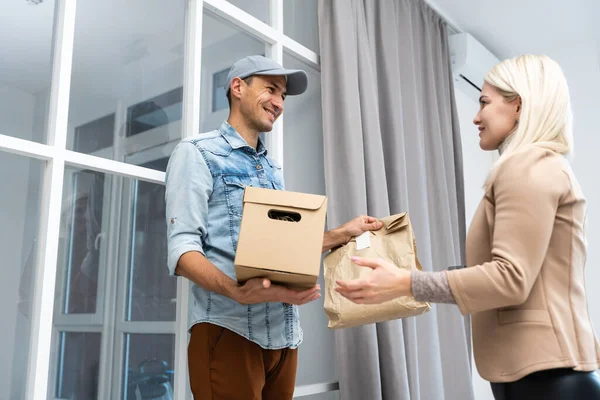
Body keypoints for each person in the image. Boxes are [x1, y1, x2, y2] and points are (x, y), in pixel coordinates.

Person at [335, 54, 600, 399]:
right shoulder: (538, 167)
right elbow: (503, 275)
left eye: (484, 103)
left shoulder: (527, 167)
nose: (476, 117)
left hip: (547, 379)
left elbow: (510, 278)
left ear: (518, 106)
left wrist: (406, 283)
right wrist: (406, 282)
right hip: (538, 375)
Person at [165, 55, 383, 400]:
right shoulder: (196, 153)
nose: (279, 103)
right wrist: (235, 290)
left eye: (283, 95)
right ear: (238, 87)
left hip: (284, 336)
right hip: (229, 331)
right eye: (271, 89)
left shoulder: (271, 168)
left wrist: (343, 233)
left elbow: (283, 247)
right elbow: (182, 249)